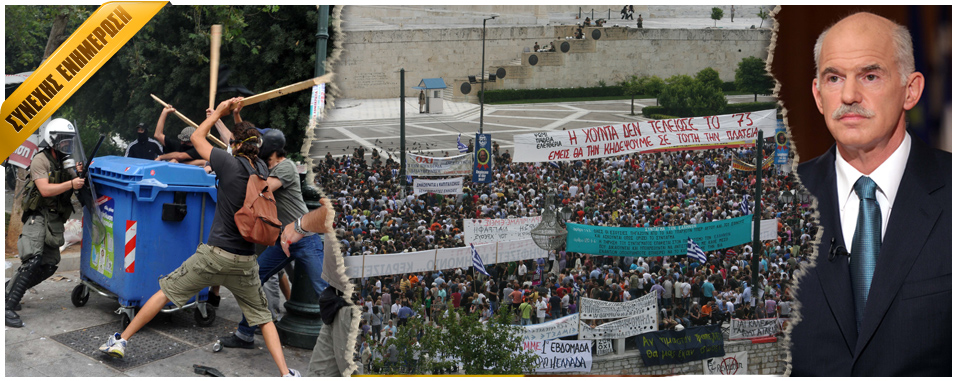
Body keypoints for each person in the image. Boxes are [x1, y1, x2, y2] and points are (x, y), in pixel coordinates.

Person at [789, 12, 950, 376]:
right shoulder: (773, 201)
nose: (848, 95)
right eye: (834, 78)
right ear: (818, 95)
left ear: (911, 90)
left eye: (870, 76)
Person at [97, 98, 301, 377]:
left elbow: (196, 136)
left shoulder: (226, 163)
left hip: (215, 257)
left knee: (165, 292)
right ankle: (286, 374)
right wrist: (237, 116)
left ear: (235, 146)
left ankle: (120, 341)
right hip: (245, 262)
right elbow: (246, 142)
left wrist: (217, 114)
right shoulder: (262, 170)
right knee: (263, 318)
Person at [217, 118, 329, 350]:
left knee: (323, 290)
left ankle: (344, 338)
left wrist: (230, 169)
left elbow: (260, 188)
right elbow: (240, 145)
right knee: (254, 280)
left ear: (271, 147)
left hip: (304, 238)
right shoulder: (268, 167)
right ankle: (245, 334)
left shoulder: (285, 167)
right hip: (284, 240)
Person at [6, 119, 83, 328]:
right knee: (33, 259)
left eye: (70, 140)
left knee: (49, 265)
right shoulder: (41, 159)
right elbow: (45, 190)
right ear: (51, 140)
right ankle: (7, 307)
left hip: (55, 218)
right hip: (37, 215)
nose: (67, 144)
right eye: (63, 140)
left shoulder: (65, 161)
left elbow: (74, 184)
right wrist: (71, 182)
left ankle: (8, 291)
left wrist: (78, 174)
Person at [278, 195, 354, 376]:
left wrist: (300, 225)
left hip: (349, 306)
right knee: (318, 372)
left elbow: (331, 211)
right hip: (335, 301)